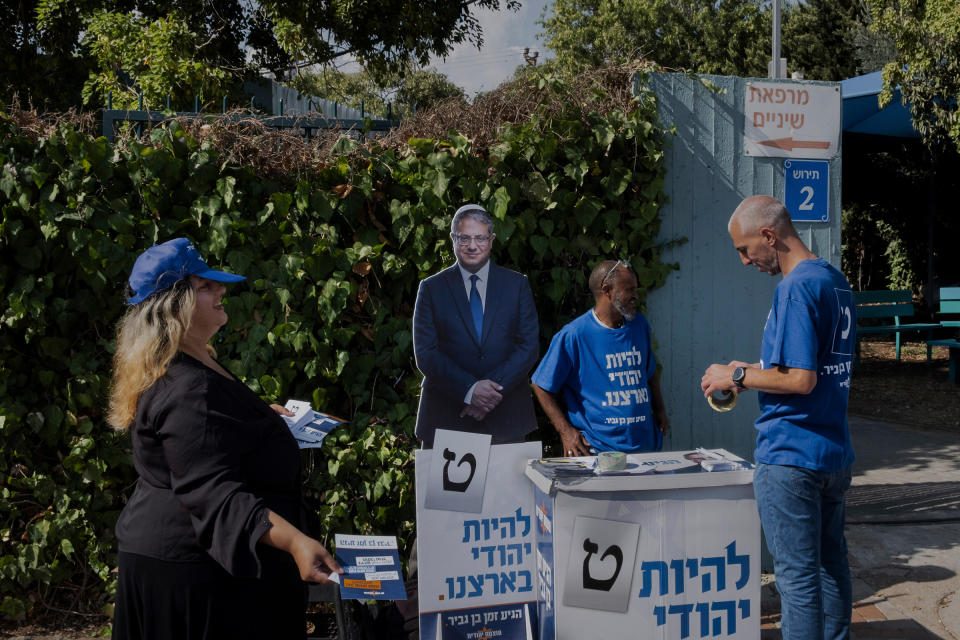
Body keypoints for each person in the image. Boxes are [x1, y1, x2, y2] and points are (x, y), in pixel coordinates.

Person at [108, 238, 342, 640]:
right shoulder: (186, 389)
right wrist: (297, 543)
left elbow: (201, 436)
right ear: (174, 307)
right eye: (205, 287)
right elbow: (214, 493)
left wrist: (254, 419)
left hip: (191, 564)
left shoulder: (192, 362)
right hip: (189, 577)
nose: (221, 291)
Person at [701, 195, 856, 640]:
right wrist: (744, 373)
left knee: (797, 579)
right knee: (830, 566)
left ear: (769, 236)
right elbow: (806, 367)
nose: (746, 261)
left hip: (791, 455)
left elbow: (802, 378)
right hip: (831, 452)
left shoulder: (795, 287)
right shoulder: (832, 279)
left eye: (745, 250)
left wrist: (736, 374)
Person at [412, 204, 540, 448]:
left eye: (480, 237)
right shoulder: (431, 289)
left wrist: (489, 395)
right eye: (464, 238)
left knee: (508, 488)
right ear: (453, 238)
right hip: (447, 418)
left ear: (491, 240)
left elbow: (528, 347)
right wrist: (469, 391)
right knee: (444, 490)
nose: (473, 246)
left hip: (507, 419)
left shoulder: (516, 285)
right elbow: (426, 353)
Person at [531, 259, 670, 456]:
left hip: (646, 449)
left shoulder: (639, 325)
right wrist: (566, 432)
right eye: (629, 289)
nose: (636, 296)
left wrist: (660, 410)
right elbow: (541, 385)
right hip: (599, 453)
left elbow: (649, 371)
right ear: (607, 290)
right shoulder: (575, 335)